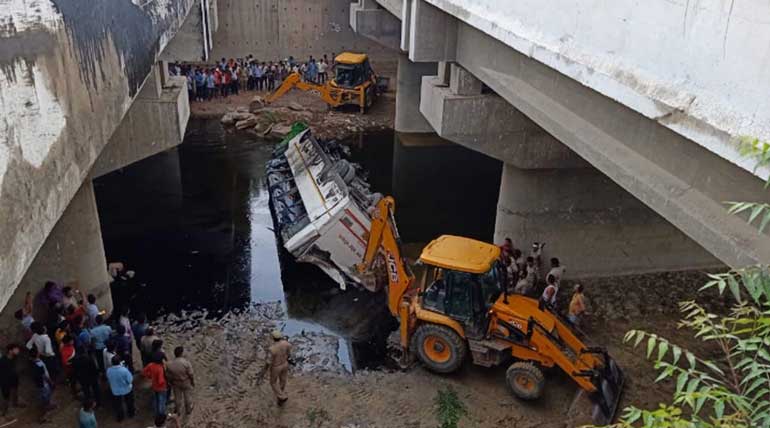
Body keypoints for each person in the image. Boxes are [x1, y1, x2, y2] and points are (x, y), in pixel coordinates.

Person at [166, 346, 194, 418]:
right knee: (187, 396)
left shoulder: (169, 364)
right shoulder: (186, 363)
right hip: (185, 381)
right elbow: (191, 374)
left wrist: (171, 382)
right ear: (181, 353)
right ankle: (188, 410)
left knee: (177, 398)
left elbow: (168, 376)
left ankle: (178, 411)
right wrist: (192, 381)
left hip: (176, 383)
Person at [30, 346, 55, 423]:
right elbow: (44, 376)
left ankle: (48, 405)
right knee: (44, 401)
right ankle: (42, 417)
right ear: (37, 354)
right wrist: (51, 382)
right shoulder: (39, 364)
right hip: (44, 385)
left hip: (39, 384)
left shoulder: (33, 362)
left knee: (46, 398)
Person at [106, 356, 135, 421]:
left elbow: (109, 379)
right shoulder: (124, 370)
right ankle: (131, 413)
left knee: (118, 405)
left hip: (115, 391)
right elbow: (130, 380)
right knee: (129, 402)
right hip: (126, 390)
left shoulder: (109, 370)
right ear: (119, 362)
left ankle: (120, 416)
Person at [0, 344, 24, 420]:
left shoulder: (14, 357)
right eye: (16, 349)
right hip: (5, 381)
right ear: (10, 351)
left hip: (13, 378)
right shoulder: (2, 361)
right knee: (6, 396)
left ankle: (15, 403)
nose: (18, 351)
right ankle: (4, 412)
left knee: (15, 390)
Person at [268, 330, 291, 405]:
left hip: (276, 366)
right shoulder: (286, 344)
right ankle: (281, 393)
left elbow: (269, 361)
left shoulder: (272, 349)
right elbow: (288, 353)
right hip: (285, 364)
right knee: (283, 380)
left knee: (273, 382)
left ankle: (281, 396)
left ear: (273, 338)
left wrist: (265, 369)